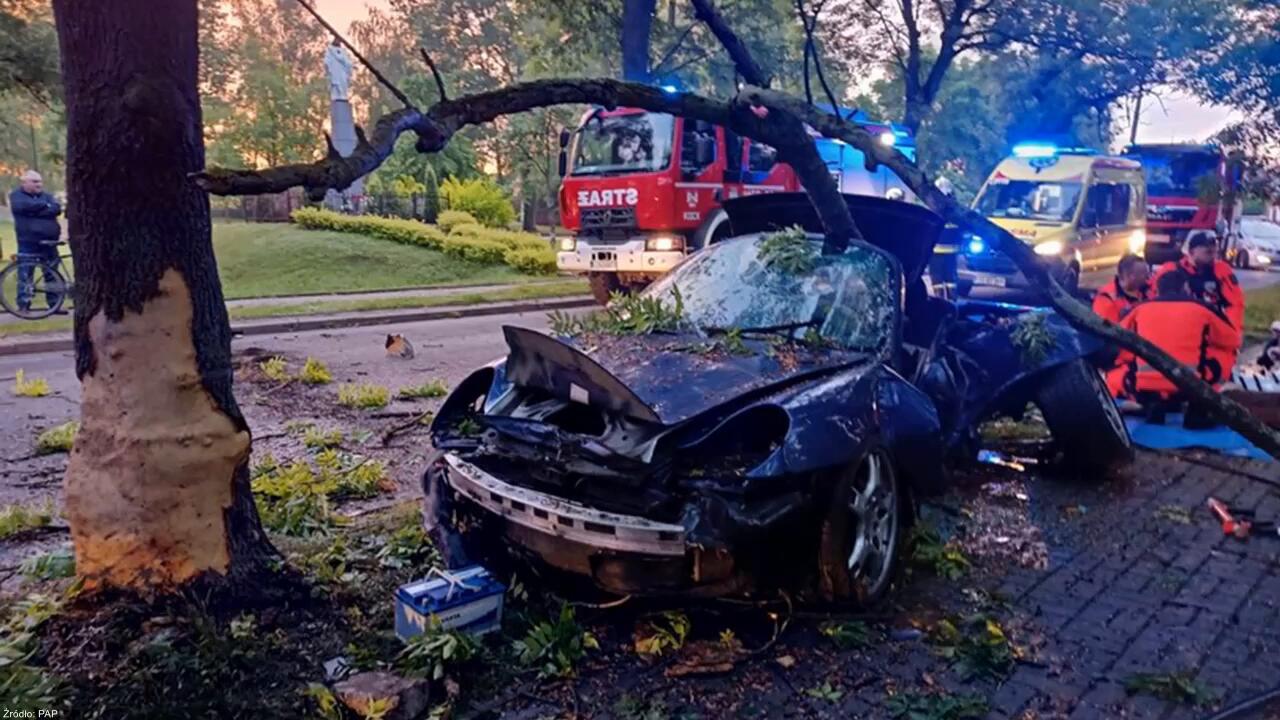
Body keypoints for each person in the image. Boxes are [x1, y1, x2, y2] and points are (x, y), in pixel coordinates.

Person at [1107, 270, 1239, 417]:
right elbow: (1233, 341)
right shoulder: (1202, 308)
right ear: (1185, 288)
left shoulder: (1138, 309)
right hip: (1189, 386)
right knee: (1225, 352)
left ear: (1157, 290)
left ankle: (1151, 402)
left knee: (1123, 357)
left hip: (1144, 386)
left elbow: (1113, 339)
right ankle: (1201, 405)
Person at [1151, 233, 1244, 345]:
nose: (1212, 257)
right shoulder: (1171, 269)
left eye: (1214, 252)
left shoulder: (1221, 270)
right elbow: (1155, 298)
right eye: (1208, 252)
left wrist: (1232, 331)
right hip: (1178, 325)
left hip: (1211, 327)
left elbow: (1235, 303)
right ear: (1191, 252)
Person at [9, 170, 64, 313]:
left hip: (49, 241)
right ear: (24, 182)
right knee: (26, 273)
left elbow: (57, 209)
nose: (39, 184)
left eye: (40, 181)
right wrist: (45, 206)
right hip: (28, 241)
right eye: (35, 182)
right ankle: (24, 304)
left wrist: (37, 208)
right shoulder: (16, 196)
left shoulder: (47, 196)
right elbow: (22, 207)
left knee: (52, 273)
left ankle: (54, 305)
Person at [1093, 254, 1150, 325]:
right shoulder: (1106, 299)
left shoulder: (1147, 290)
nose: (1147, 277)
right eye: (1143, 274)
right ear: (1131, 276)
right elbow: (1107, 329)